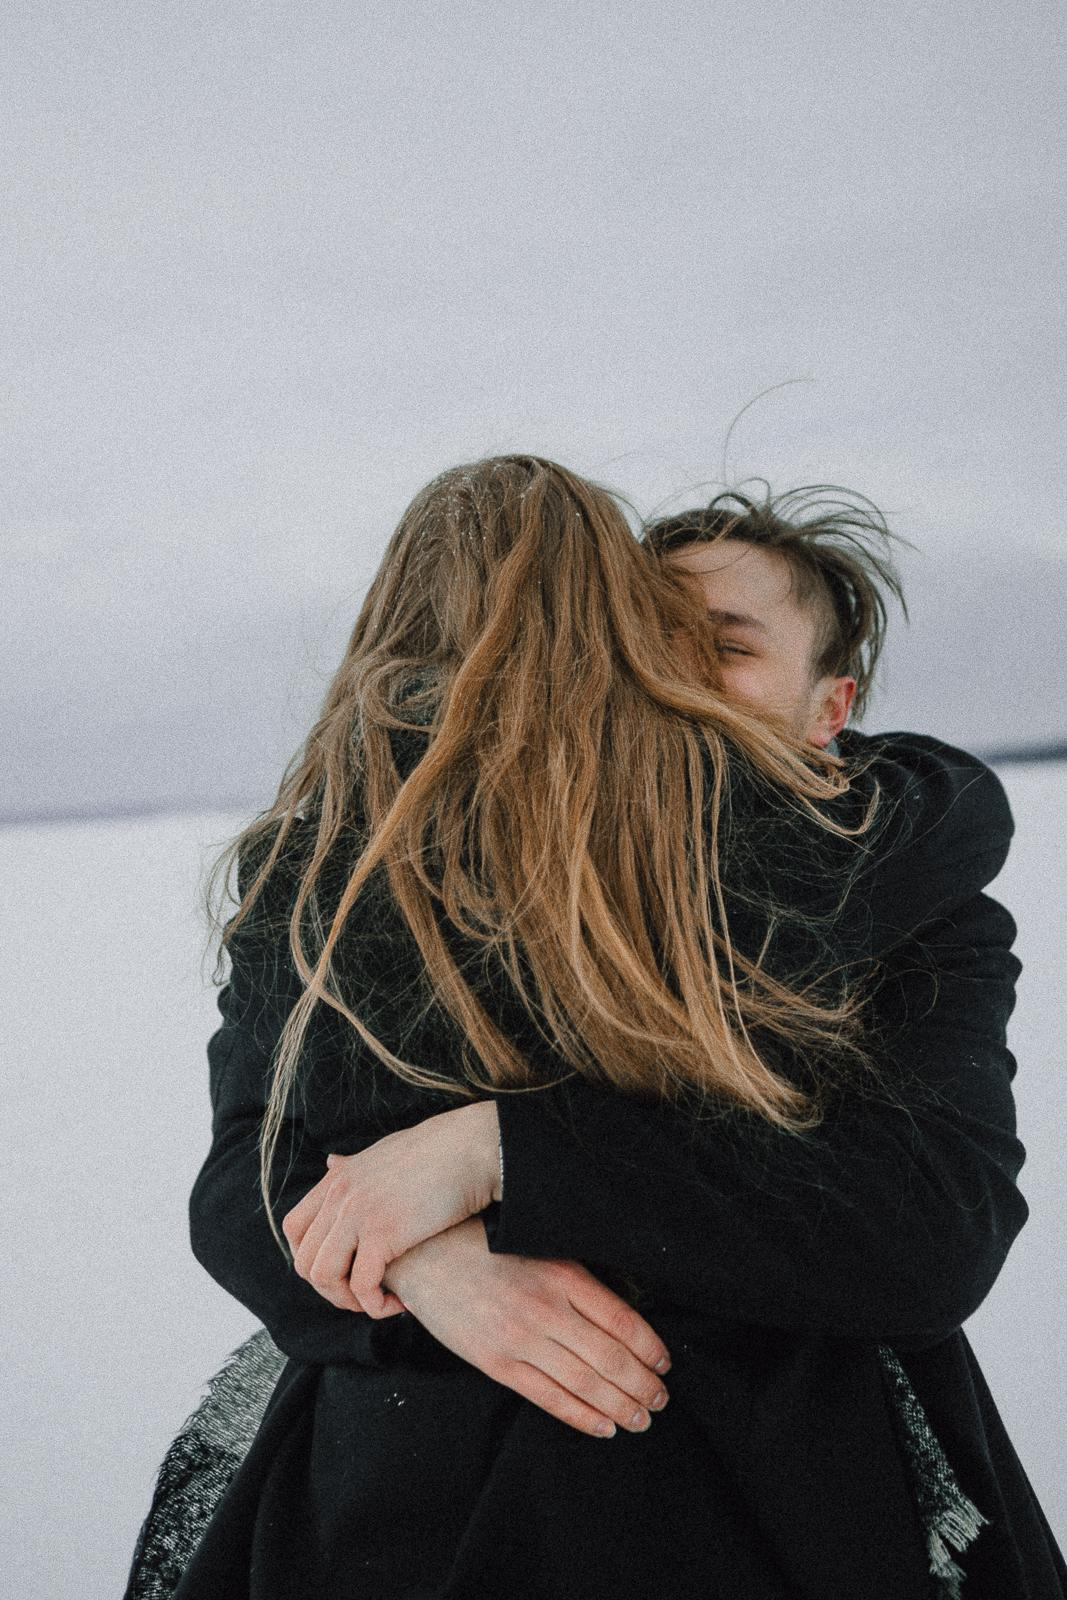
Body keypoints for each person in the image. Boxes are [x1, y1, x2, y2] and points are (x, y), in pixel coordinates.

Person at [124, 458, 1064, 1599]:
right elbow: (243, 1178)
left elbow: (928, 1228)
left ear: (831, 707)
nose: (665, 673)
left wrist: (500, 1153)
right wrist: (429, 1272)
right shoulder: (437, 864)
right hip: (397, 1503)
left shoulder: (907, 881)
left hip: (771, 1500)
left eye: (723, 642)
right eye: (634, 636)